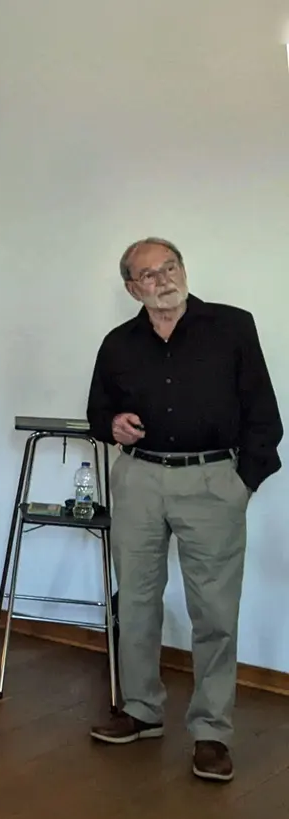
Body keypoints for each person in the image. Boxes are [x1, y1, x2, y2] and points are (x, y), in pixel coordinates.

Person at [85, 237, 282, 783]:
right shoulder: (118, 343)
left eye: (170, 267)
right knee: (139, 601)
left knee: (215, 613)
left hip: (214, 480)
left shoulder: (232, 327)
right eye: (149, 274)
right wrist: (113, 425)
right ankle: (141, 710)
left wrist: (243, 483)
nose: (164, 278)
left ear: (183, 269)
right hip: (140, 479)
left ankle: (212, 732)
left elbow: (264, 412)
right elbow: (98, 411)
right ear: (132, 288)